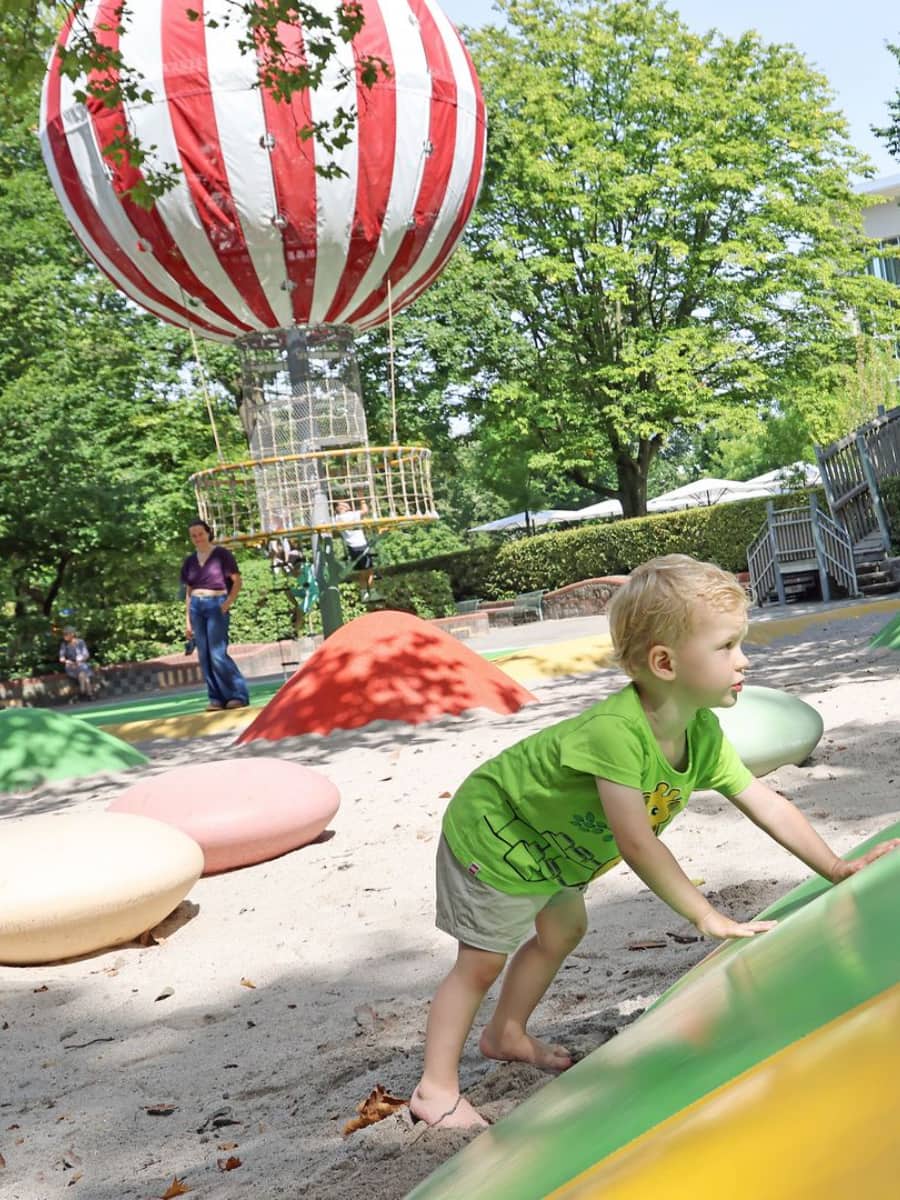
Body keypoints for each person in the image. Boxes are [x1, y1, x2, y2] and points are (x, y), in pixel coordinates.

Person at [410, 553, 900, 1129]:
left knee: (564, 928)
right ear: (665, 662)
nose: (743, 660)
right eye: (725, 647)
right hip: (498, 832)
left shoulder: (702, 733)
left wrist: (836, 868)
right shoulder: (617, 734)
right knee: (481, 962)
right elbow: (637, 843)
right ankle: (434, 1089)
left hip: (552, 849)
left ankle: (506, 1034)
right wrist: (705, 915)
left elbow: (766, 801)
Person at [181, 519, 250, 712]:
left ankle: (237, 695)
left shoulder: (222, 555)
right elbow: (188, 591)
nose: (197, 538)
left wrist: (227, 604)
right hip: (196, 606)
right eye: (193, 535)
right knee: (204, 655)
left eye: (200, 534)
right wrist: (188, 620)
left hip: (216, 604)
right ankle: (216, 698)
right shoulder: (190, 561)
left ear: (208, 532)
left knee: (218, 653)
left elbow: (237, 581)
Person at [333, 498, 375, 597]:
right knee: (369, 571)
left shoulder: (337, 518)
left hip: (352, 547)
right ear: (340, 507)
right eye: (344, 504)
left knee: (362, 571)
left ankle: (364, 593)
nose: (347, 504)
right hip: (360, 545)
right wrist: (362, 498)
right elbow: (365, 510)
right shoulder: (350, 515)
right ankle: (372, 592)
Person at [58, 626, 94, 699]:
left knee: (82, 672)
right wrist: (67, 661)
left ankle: (83, 690)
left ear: (72, 634)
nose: (64, 636)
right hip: (71, 665)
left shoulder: (80, 642)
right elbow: (61, 658)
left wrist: (80, 660)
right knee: (84, 674)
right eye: (64, 634)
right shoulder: (64, 645)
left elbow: (86, 655)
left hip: (81, 663)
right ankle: (89, 694)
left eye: (66, 634)